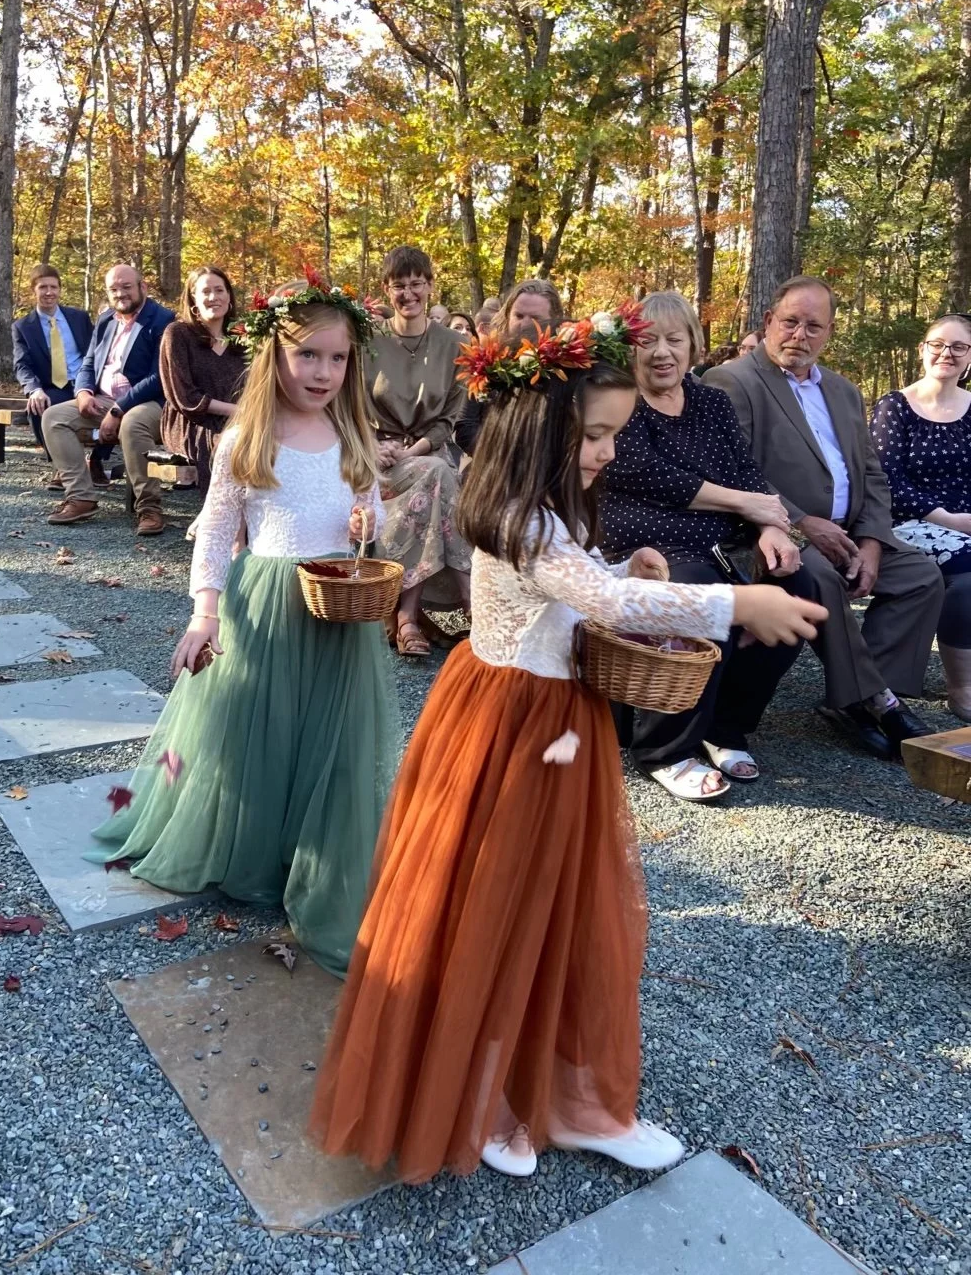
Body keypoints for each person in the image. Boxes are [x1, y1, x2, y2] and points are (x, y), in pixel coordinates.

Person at [310, 318, 826, 1183]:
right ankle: (481, 1094)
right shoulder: (518, 517)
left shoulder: (547, 512)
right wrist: (737, 605)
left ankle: (560, 1095)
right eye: (595, 435)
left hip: (548, 719)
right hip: (516, 730)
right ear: (538, 432)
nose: (608, 453)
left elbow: (582, 591)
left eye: (615, 435)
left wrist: (631, 566)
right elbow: (598, 603)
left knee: (556, 904)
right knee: (499, 905)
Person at [87, 274, 400, 977]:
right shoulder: (247, 438)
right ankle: (254, 849)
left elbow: (372, 509)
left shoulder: (352, 431)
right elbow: (215, 529)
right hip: (266, 603)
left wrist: (366, 522)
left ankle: (313, 856)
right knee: (261, 732)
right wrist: (205, 613)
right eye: (307, 355)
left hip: (336, 604)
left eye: (337, 358)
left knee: (327, 736)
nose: (322, 372)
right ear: (275, 355)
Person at [705, 276, 943, 759]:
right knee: (819, 576)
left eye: (814, 326)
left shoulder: (843, 391)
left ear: (829, 332)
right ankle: (875, 699)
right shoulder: (733, 381)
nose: (800, 335)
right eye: (790, 322)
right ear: (768, 321)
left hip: (850, 533)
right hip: (771, 534)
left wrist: (872, 542)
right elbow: (735, 469)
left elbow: (871, 474)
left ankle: (856, 700)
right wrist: (801, 522)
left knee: (920, 577)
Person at [598, 292, 814, 800]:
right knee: (698, 596)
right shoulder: (617, 400)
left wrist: (772, 528)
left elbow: (745, 470)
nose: (662, 352)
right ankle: (664, 749)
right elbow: (647, 473)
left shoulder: (712, 402)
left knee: (797, 588)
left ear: (693, 345)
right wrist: (747, 503)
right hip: (648, 546)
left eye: (675, 339)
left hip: (723, 541)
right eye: (648, 341)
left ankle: (725, 725)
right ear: (630, 349)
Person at [367, 244, 471, 656]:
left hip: (430, 450)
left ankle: (408, 617)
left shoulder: (455, 343)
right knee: (439, 478)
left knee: (436, 474)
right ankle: (469, 601)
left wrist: (416, 451)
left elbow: (451, 417)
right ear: (386, 289)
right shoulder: (368, 341)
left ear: (430, 286)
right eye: (399, 286)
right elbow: (350, 407)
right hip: (378, 457)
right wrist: (372, 445)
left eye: (416, 284)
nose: (408, 294)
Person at [870, 314, 971, 720]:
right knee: (969, 571)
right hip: (910, 523)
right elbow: (886, 481)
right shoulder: (896, 407)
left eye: (958, 347)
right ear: (922, 350)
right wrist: (954, 521)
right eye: (938, 344)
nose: (947, 353)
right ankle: (963, 687)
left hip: (966, 524)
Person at [42, 264, 175, 536]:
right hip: (104, 400)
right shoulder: (106, 320)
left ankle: (149, 508)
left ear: (142, 287)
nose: (120, 294)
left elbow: (159, 376)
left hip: (148, 403)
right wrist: (83, 392)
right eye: (114, 289)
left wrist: (118, 409)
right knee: (54, 417)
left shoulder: (163, 320)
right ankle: (81, 497)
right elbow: (89, 362)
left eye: (126, 287)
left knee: (132, 423)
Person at [158, 266, 247, 494]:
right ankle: (221, 511)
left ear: (229, 296)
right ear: (193, 299)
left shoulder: (244, 337)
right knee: (232, 445)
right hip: (194, 421)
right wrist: (239, 411)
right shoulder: (177, 334)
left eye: (219, 290)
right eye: (205, 292)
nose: (213, 297)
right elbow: (185, 398)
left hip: (240, 416)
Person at [455, 279, 566, 459]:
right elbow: (466, 426)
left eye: (536, 318)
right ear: (507, 316)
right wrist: (501, 459)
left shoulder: (566, 368)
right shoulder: (487, 362)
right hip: (490, 463)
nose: (525, 325)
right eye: (519, 316)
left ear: (555, 320)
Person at [12, 264, 100, 488]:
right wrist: (34, 390)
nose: (49, 292)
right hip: (54, 387)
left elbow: (97, 352)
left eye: (53, 287)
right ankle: (63, 466)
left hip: (86, 383)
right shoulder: (23, 327)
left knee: (111, 406)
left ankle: (97, 462)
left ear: (60, 289)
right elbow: (22, 365)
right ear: (34, 290)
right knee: (37, 408)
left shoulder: (79, 318)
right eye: (43, 287)